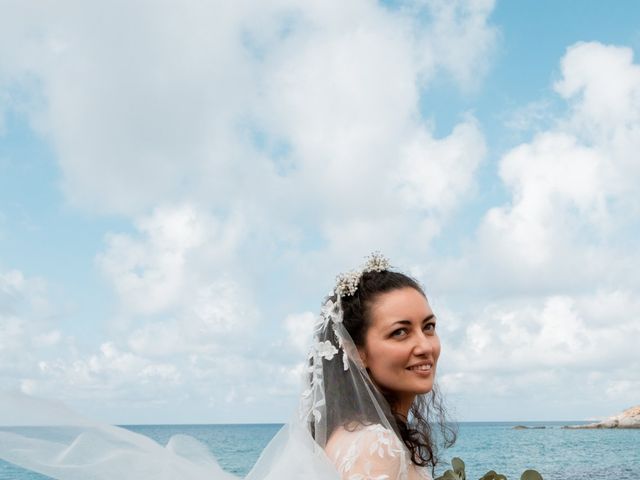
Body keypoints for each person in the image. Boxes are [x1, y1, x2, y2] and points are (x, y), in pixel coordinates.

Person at [0, 252, 454, 480]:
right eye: (400, 331)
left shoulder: (356, 434)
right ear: (356, 352)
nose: (424, 345)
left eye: (428, 327)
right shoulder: (374, 448)